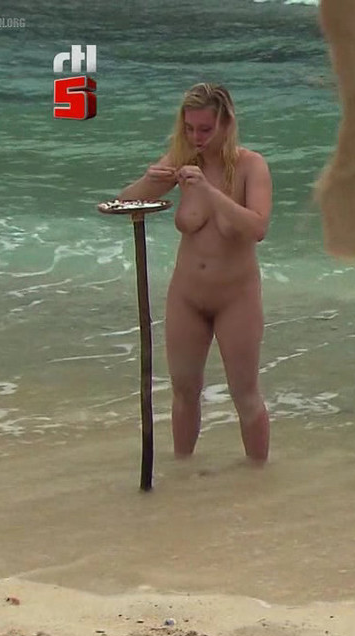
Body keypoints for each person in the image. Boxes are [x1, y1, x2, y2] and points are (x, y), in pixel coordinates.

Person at [118, 83, 272, 465]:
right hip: (187, 295)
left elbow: (258, 227)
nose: (196, 137)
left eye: (205, 128)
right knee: (184, 391)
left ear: (226, 123)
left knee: (245, 394)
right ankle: (182, 472)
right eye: (189, 128)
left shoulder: (251, 166)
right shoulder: (184, 160)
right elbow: (124, 203)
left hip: (236, 297)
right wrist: (151, 179)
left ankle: (259, 479)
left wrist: (208, 191)